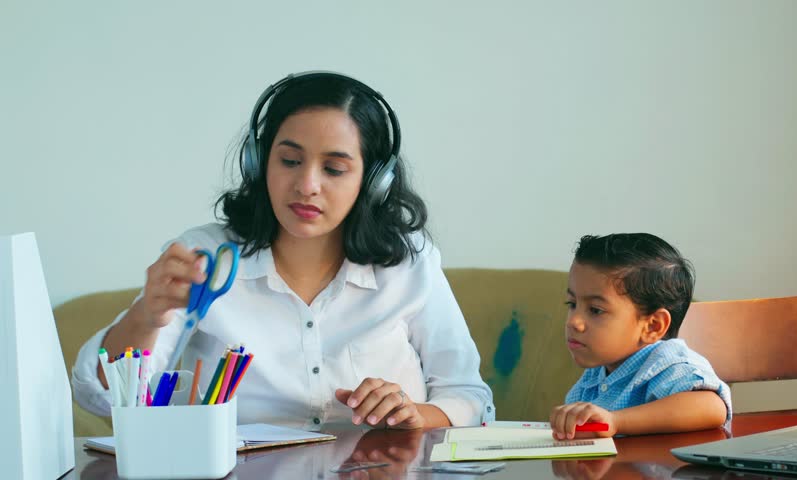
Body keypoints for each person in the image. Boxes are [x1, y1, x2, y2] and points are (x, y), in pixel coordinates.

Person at [72, 71, 495, 430]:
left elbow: (470, 398)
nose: (307, 184)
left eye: (334, 169)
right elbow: (102, 399)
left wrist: (414, 414)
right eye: (290, 161)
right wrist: (147, 314)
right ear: (260, 163)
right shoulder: (206, 257)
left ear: (372, 182)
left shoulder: (409, 261)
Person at [549, 233, 731, 439]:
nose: (573, 321)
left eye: (595, 310)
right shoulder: (594, 378)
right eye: (572, 305)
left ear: (653, 326)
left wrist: (616, 421)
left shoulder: (667, 363)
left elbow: (711, 407)